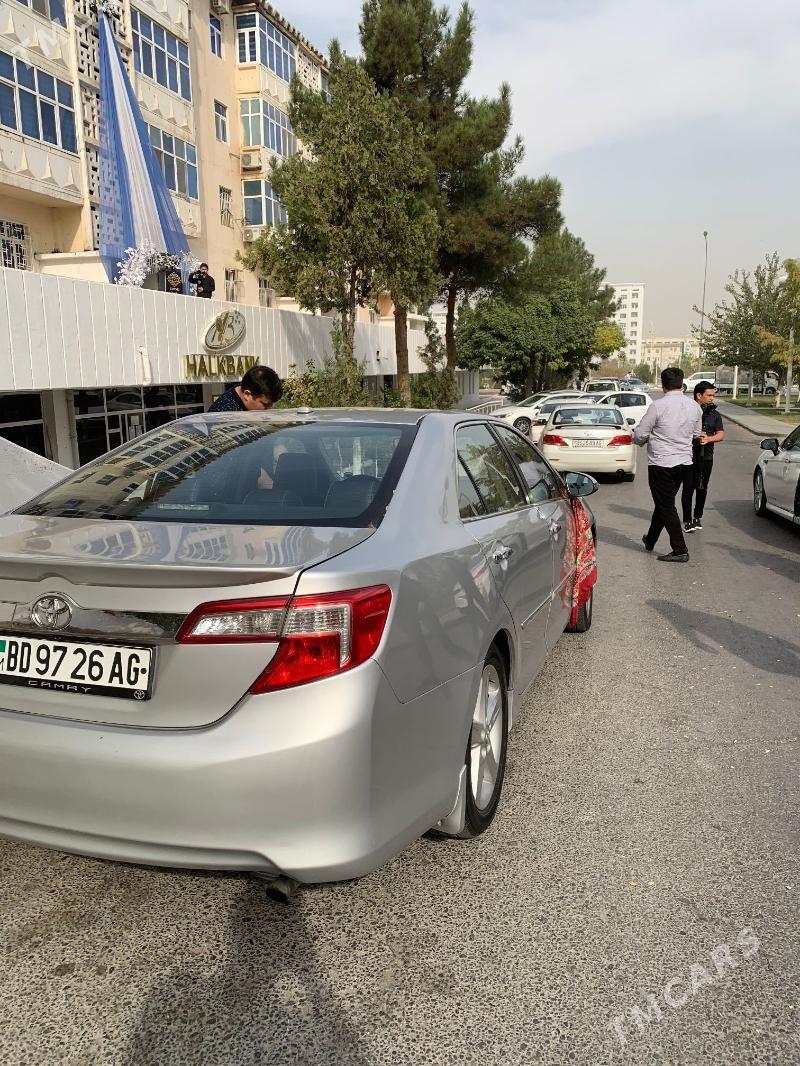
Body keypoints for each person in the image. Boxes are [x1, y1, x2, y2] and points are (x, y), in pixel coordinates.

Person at [633, 366, 702, 562]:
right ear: (682, 384)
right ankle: (651, 539)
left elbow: (640, 434)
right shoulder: (694, 406)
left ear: (663, 385)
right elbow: (696, 435)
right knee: (664, 504)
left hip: (661, 463)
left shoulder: (658, 406)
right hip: (685, 463)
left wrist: (641, 441)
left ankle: (680, 549)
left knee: (666, 505)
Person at [681, 381, 725, 533]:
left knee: (702, 488)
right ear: (699, 395)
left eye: (713, 395)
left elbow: (721, 434)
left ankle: (697, 517)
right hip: (688, 456)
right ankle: (687, 520)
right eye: (709, 395)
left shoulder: (714, 414)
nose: (712, 398)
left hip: (706, 457)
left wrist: (709, 439)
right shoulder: (687, 411)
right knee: (688, 488)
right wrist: (694, 436)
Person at [208, 365, 283, 412]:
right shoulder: (224, 413)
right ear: (247, 394)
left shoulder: (241, 393)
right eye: (265, 404)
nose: (269, 410)